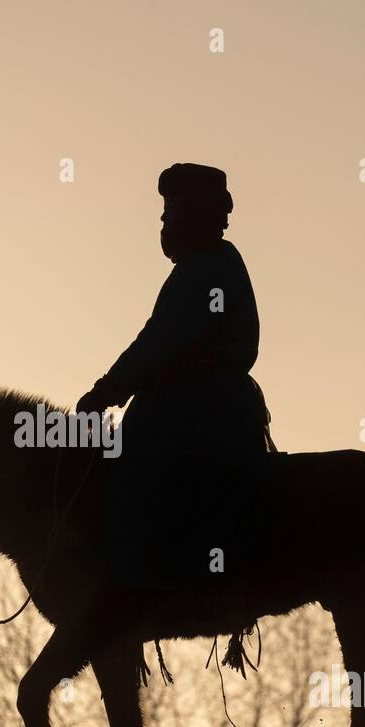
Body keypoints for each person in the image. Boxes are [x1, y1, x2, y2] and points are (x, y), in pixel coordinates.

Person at [76, 163, 275, 591]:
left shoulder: (204, 269)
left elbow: (160, 340)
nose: (163, 221)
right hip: (209, 403)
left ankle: (145, 580)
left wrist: (107, 390)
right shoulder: (213, 264)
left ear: (192, 214)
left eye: (171, 211)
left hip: (198, 407)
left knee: (131, 478)